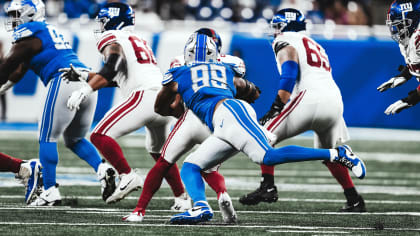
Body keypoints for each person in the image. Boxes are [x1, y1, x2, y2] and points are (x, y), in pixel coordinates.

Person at [154, 32, 366, 224]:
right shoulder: (227, 68)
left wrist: (180, 107)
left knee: (266, 156)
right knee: (192, 165)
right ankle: (200, 207)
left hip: (229, 114)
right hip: (227, 116)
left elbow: (160, 108)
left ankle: (337, 153)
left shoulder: (177, 75)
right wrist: (246, 90)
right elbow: (252, 91)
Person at [122, 28, 256, 223]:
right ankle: (221, 194)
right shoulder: (232, 64)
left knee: (163, 164)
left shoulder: (179, 65)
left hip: (190, 117)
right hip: (217, 120)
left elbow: (167, 104)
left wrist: (177, 114)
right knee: (209, 168)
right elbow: (245, 91)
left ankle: (139, 211)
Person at [239, 8, 366, 213]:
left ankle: (267, 186)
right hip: (334, 101)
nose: (274, 31)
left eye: (277, 26)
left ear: (285, 26)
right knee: (330, 155)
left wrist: (277, 105)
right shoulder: (315, 44)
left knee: (261, 137)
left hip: (310, 98)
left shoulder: (285, 40)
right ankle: (354, 198)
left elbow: (289, 74)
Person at [63, 2, 185, 205]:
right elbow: (117, 76)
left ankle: (127, 175)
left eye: (103, 21)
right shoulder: (137, 38)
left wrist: (85, 90)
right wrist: (85, 76)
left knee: (99, 135)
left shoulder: (113, 37)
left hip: (143, 97)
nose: (101, 27)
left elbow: (112, 65)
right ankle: (181, 198)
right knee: (160, 152)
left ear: (113, 20)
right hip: (161, 99)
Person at [0, 0, 115, 206]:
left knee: (46, 136)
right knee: (75, 139)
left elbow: (8, 65)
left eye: (17, 14)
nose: (13, 19)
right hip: (86, 80)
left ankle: (50, 190)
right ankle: (101, 168)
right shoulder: (45, 31)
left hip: (63, 80)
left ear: (30, 14)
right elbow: (18, 71)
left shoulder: (30, 33)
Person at [377, 0, 420, 115]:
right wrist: (404, 75)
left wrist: (413, 98)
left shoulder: (417, 38)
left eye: (400, 25)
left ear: (414, 21)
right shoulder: (410, 39)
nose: (396, 30)